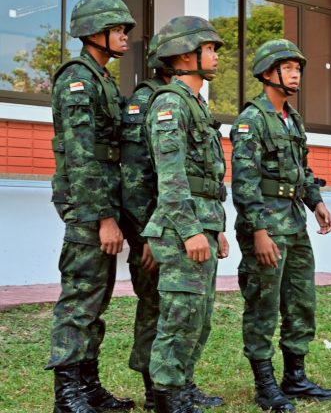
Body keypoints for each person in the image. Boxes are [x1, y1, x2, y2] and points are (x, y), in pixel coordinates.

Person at [231, 39, 331, 412]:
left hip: (294, 222)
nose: (295, 75)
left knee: (301, 301)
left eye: (297, 69)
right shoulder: (252, 120)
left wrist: (317, 203)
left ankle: (295, 377)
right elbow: (244, 182)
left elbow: (302, 169)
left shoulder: (293, 119)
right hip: (267, 227)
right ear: (267, 73)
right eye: (288, 68)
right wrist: (259, 232)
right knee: (263, 304)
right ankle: (265, 385)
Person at [47, 0, 136, 413]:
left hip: (103, 200)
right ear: (93, 33)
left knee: (96, 301)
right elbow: (81, 156)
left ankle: (88, 387)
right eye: (117, 29)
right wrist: (104, 218)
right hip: (88, 205)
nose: (125, 36)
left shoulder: (102, 79)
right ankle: (67, 397)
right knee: (79, 301)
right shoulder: (77, 79)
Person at [142, 16, 230, 412]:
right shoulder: (170, 103)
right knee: (180, 316)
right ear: (183, 56)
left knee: (199, 316)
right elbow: (171, 176)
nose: (215, 55)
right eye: (208, 48)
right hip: (181, 229)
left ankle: (184, 386)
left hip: (202, 222)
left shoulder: (195, 103)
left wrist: (216, 228)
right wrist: (192, 230)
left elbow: (205, 178)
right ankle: (166, 397)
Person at [119, 33, 172, 410]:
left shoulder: (179, 98)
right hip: (152, 228)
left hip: (177, 224)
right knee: (154, 305)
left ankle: (176, 382)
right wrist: (147, 235)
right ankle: (154, 388)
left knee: (178, 309)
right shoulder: (146, 100)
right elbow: (135, 178)